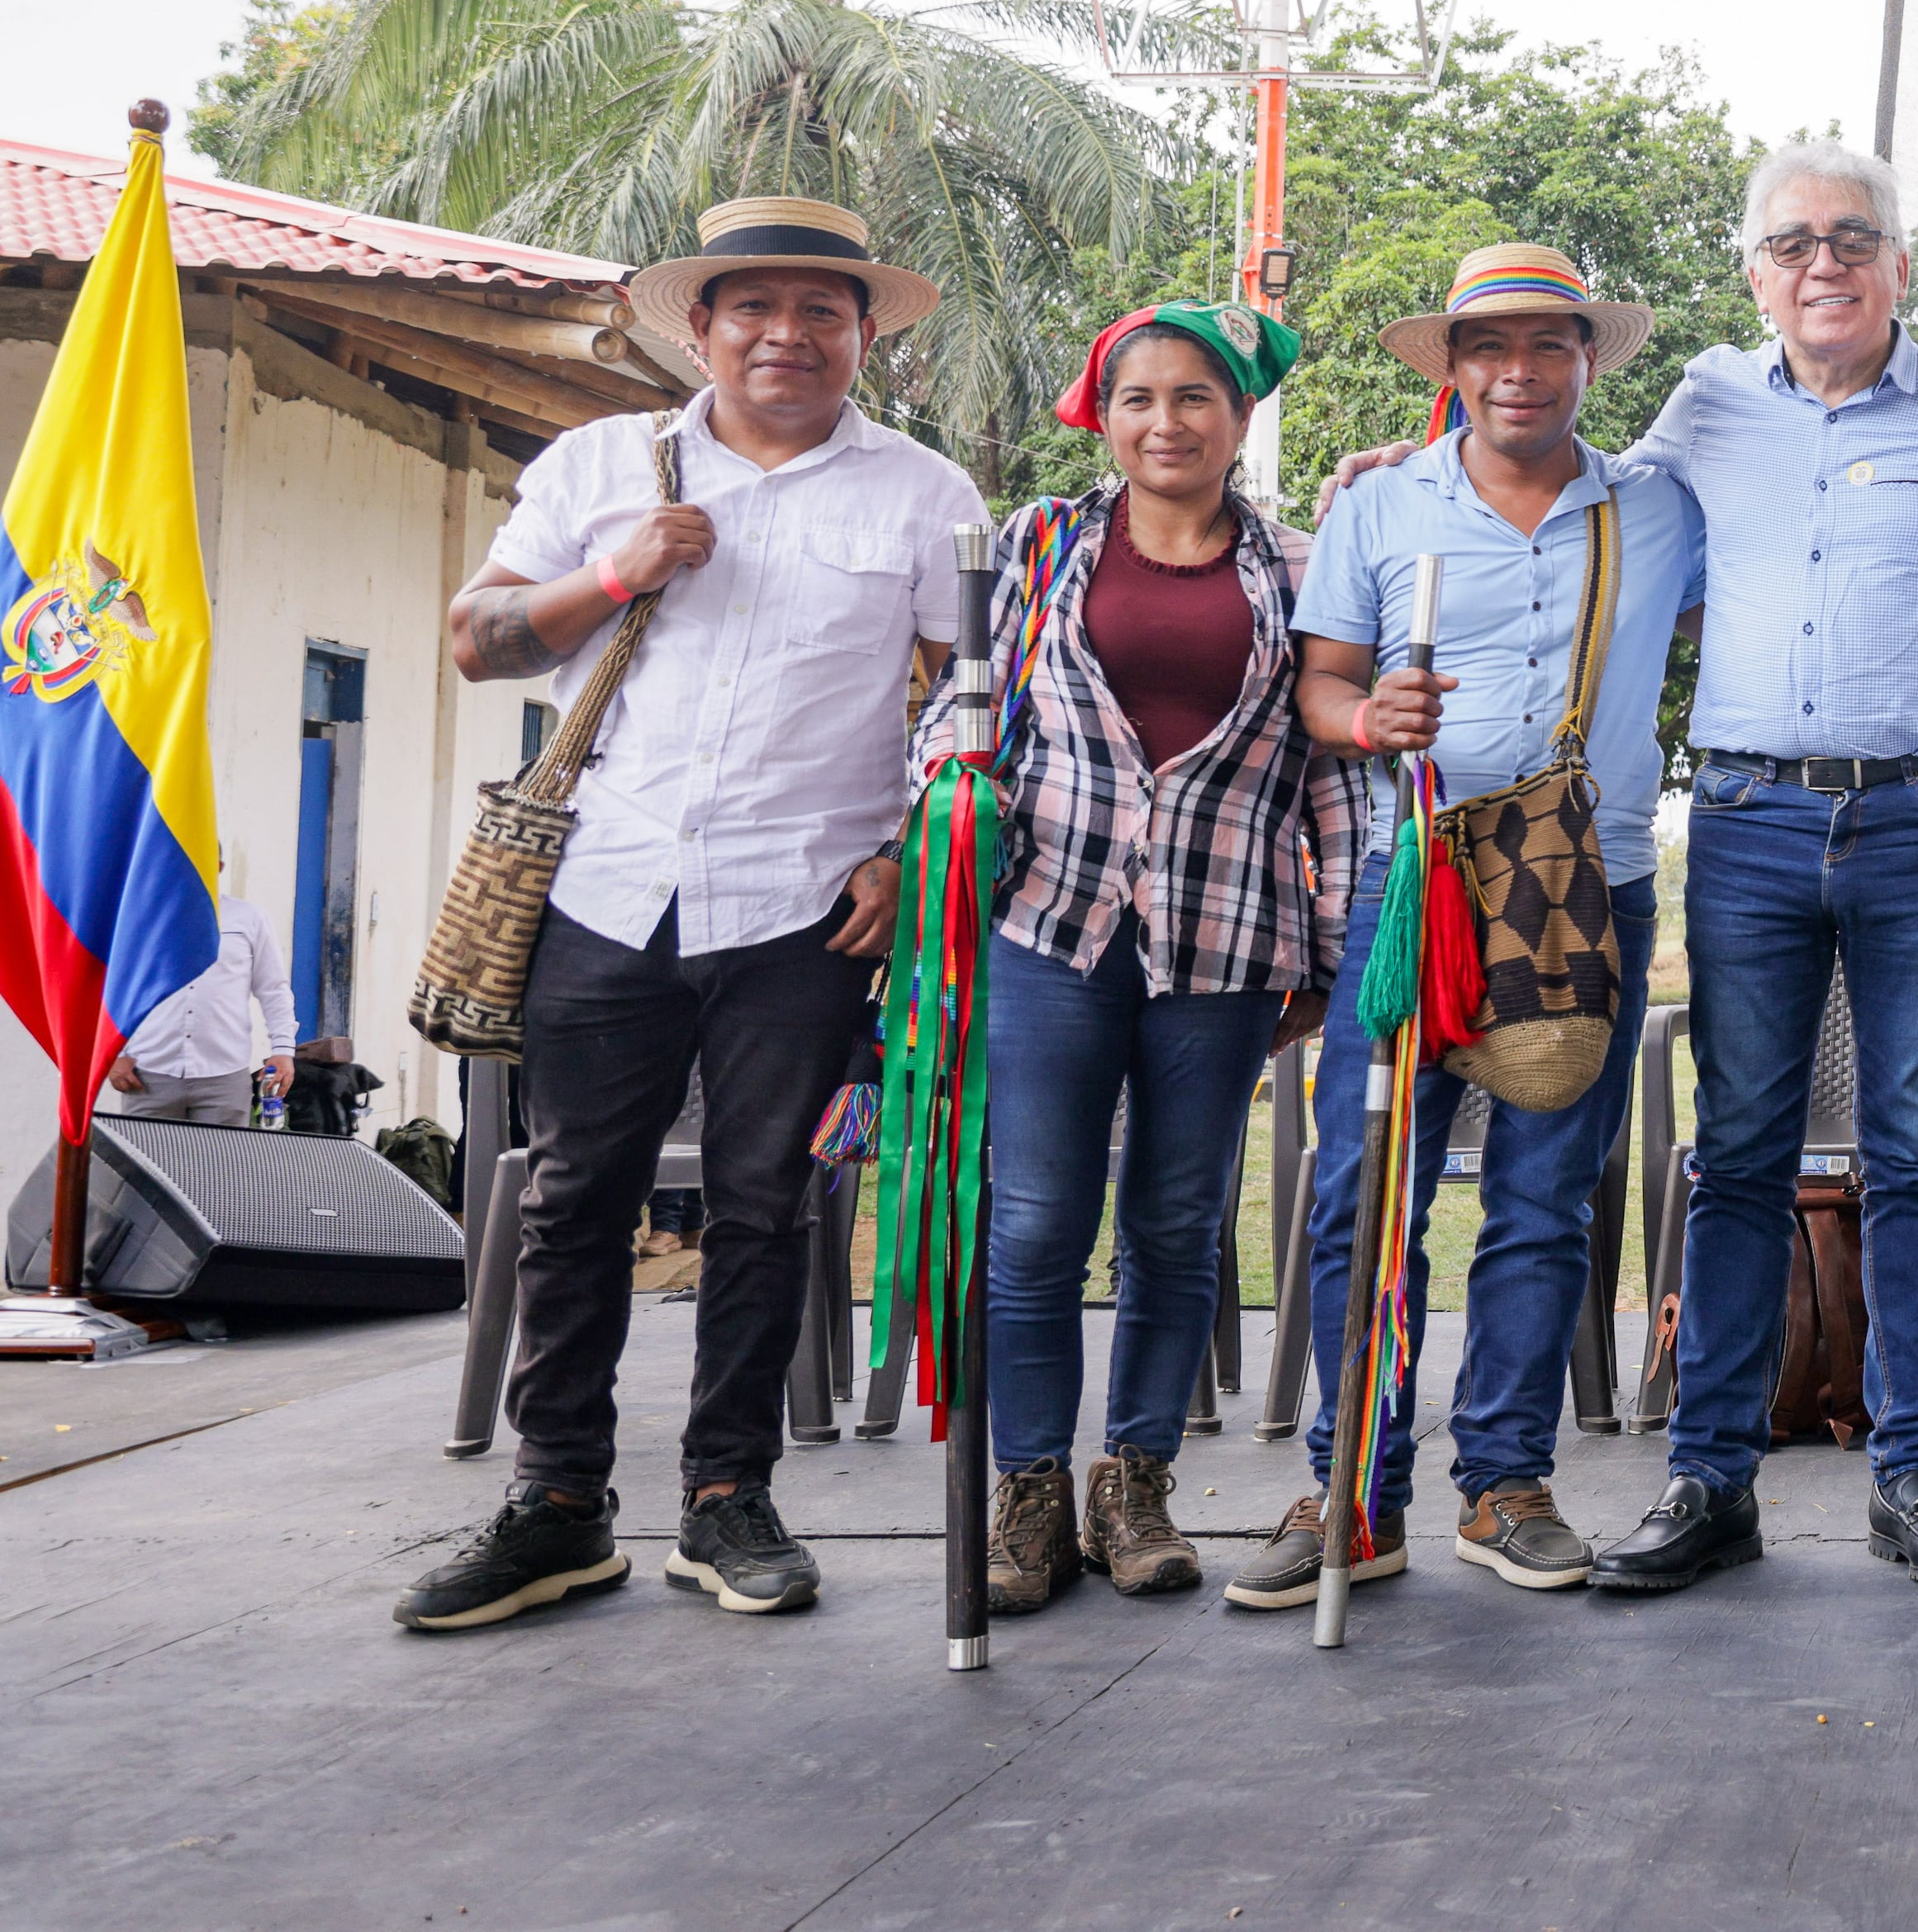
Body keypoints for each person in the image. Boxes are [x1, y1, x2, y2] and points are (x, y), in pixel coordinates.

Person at [396, 198, 983, 1634]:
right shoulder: (599, 464)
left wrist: (915, 849)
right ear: (700, 326)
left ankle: (730, 1498)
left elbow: (974, 702)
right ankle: (556, 1502)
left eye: (821, 312)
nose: (787, 334)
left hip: (807, 902)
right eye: (754, 309)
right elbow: (474, 642)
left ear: (862, 335)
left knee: (763, 1204)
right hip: (607, 885)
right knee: (578, 1197)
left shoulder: (924, 494)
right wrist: (615, 574)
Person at [1231, 244, 1703, 1609]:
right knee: (1358, 1197)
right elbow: (1321, 685)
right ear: (1451, 366)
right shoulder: (1384, 508)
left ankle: (1504, 1485)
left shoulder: (1660, 509)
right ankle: (1353, 1492)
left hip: (1585, 886)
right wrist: (1366, 718)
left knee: (1545, 1196)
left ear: (1587, 360)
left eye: (1547, 344)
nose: (1517, 370)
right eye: (1487, 347)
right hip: (1413, 884)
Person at [1598, 140, 1918, 1593]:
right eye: (1793, 243)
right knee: (1737, 1158)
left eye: (1855, 237)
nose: (1824, 262)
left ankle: (1914, 1475)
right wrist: (1416, 475)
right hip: (1745, 824)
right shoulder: (1707, 406)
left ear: (1901, 266)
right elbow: (1585, 517)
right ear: (1754, 275)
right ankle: (1709, 1479)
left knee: (1916, 1155)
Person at [975, 301, 1366, 1615]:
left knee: (1176, 1223)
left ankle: (1131, 1484)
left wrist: (1328, 946)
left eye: (1196, 397)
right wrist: (942, 806)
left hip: (1228, 934)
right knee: (1033, 1224)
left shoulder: (1301, 569)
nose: (1166, 422)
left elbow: (1330, 771)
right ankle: (1025, 1489)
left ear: (1240, 419)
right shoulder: (1041, 539)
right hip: (1049, 917)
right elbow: (971, 704)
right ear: (1106, 410)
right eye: (1139, 397)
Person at [104, 893, 293, 1124]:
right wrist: (115, 1052)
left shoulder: (248, 918)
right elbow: (113, 987)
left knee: (220, 1161)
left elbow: (273, 989)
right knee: (141, 1158)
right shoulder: (137, 916)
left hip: (224, 1076)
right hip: (149, 1074)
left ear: (219, 864)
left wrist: (283, 1050)